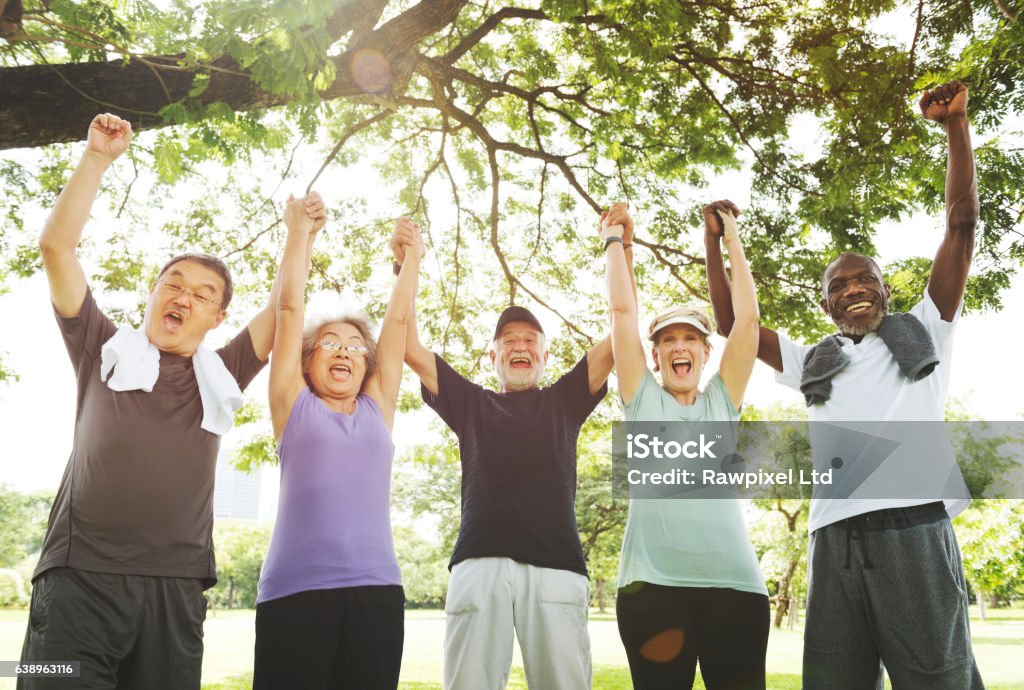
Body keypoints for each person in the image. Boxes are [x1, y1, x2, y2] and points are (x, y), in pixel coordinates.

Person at [19, 113, 325, 689]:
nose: (184, 296)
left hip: (176, 590)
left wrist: (298, 236)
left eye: (202, 293)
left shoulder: (224, 371)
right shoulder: (101, 348)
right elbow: (56, 247)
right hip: (76, 583)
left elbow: (286, 310)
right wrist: (97, 159)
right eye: (173, 284)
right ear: (154, 294)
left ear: (217, 316)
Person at [709, 81, 982, 688]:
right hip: (834, 540)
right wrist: (717, 241)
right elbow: (733, 326)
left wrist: (956, 127)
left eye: (864, 279)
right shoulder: (814, 358)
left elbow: (961, 228)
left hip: (913, 528)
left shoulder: (925, 331)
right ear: (827, 303)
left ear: (885, 288)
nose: (853, 288)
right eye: (839, 285)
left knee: (938, 678)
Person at [395, 230, 613, 689]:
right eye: (508, 339)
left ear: (545, 354)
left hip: (556, 565)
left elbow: (620, 336)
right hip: (479, 562)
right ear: (492, 355)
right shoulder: (470, 401)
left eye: (530, 339)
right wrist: (406, 264)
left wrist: (619, 248)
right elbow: (407, 345)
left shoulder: (564, 400)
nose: (519, 345)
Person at [251, 207, 423, 689]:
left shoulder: (377, 407)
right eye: (329, 342)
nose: (345, 350)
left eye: (354, 344)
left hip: (377, 594)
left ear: (366, 364)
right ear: (307, 362)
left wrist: (411, 257)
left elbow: (399, 320)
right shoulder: (292, 403)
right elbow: (289, 309)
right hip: (294, 593)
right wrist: (299, 235)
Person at [603, 201, 769, 688]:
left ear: (703, 351)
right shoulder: (642, 403)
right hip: (652, 591)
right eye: (668, 340)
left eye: (689, 339)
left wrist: (729, 237)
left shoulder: (723, 402)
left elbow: (749, 322)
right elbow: (621, 311)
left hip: (734, 589)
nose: (679, 346)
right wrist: (615, 239)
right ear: (655, 356)